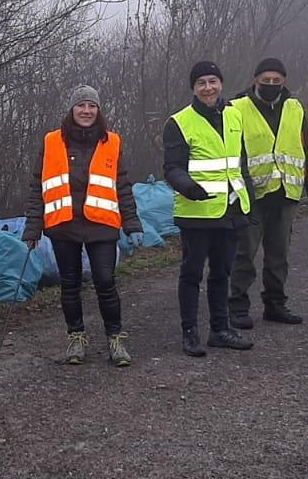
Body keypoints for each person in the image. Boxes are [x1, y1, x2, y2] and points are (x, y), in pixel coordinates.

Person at [23, 85, 144, 366]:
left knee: (105, 281)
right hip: (63, 225)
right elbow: (36, 187)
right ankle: (75, 337)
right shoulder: (52, 141)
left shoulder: (111, 141)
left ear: (98, 110)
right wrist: (32, 228)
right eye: (81, 106)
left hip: (101, 225)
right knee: (70, 284)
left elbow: (121, 186)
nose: (86, 111)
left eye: (92, 106)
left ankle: (115, 338)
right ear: (72, 110)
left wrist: (132, 224)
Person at [228, 57, 308, 327]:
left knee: (278, 256)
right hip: (250, 196)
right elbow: (231, 153)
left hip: (285, 195)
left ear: (284, 81)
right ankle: (237, 306)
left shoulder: (295, 108)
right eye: (266, 81)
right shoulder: (236, 108)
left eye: (277, 81)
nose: (271, 85)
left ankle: (275, 304)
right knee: (244, 254)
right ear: (255, 80)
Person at [163, 61, 256, 357]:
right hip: (196, 213)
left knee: (221, 274)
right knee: (192, 275)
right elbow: (172, 168)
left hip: (230, 212)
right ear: (193, 87)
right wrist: (189, 187)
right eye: (201, 82)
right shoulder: (178, 122)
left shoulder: (234, 116)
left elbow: (240, 164)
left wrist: (248, 202)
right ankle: (189, 333)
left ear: (221, 83)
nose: (208, 88)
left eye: (213, 81)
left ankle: (220, 329)